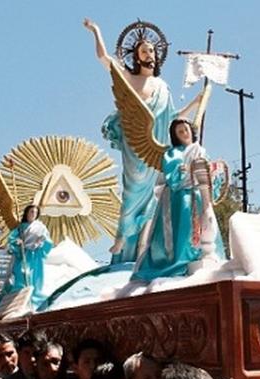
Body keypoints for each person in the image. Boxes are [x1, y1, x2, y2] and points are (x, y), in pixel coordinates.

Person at [84, 18, 203, 263]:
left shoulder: (162, 86)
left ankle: (143, 250)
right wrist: (96, 31)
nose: (149, 53)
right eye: (144, 50)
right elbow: (104, 59)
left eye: (151, 50)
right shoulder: (129, 78)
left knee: (155, 196)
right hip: (136, 146)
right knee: (133, 191)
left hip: (158, 147)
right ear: (137, 56)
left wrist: (195, 104)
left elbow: (173, 118)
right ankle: (123, 238)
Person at [131, 119, 225, 282]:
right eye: (180, 132)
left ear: (192, 131)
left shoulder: (201, 151)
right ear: (175, 136)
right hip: (180, 199)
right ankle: (180, 260)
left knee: (205, 223)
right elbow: (174, 178)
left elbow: (210, 179)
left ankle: (204, 254)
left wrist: (213, 172)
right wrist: (188, 171)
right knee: (183, 228)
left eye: (186, 130)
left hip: (198, 195)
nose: (184, 133)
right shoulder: (172, 154)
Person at [0, 205, 53, 310]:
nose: (33, 214)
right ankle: (18, 299)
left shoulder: (41, 227)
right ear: (27, 213)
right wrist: (17, 242)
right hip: (22, 255)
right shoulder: (21, 227)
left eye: (35, 212)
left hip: (35, 257)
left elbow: (48, 242)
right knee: (21, 275)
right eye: (31, 212)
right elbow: (12, 239)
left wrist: (41, 242)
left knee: (34, 277)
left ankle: (33, 300)